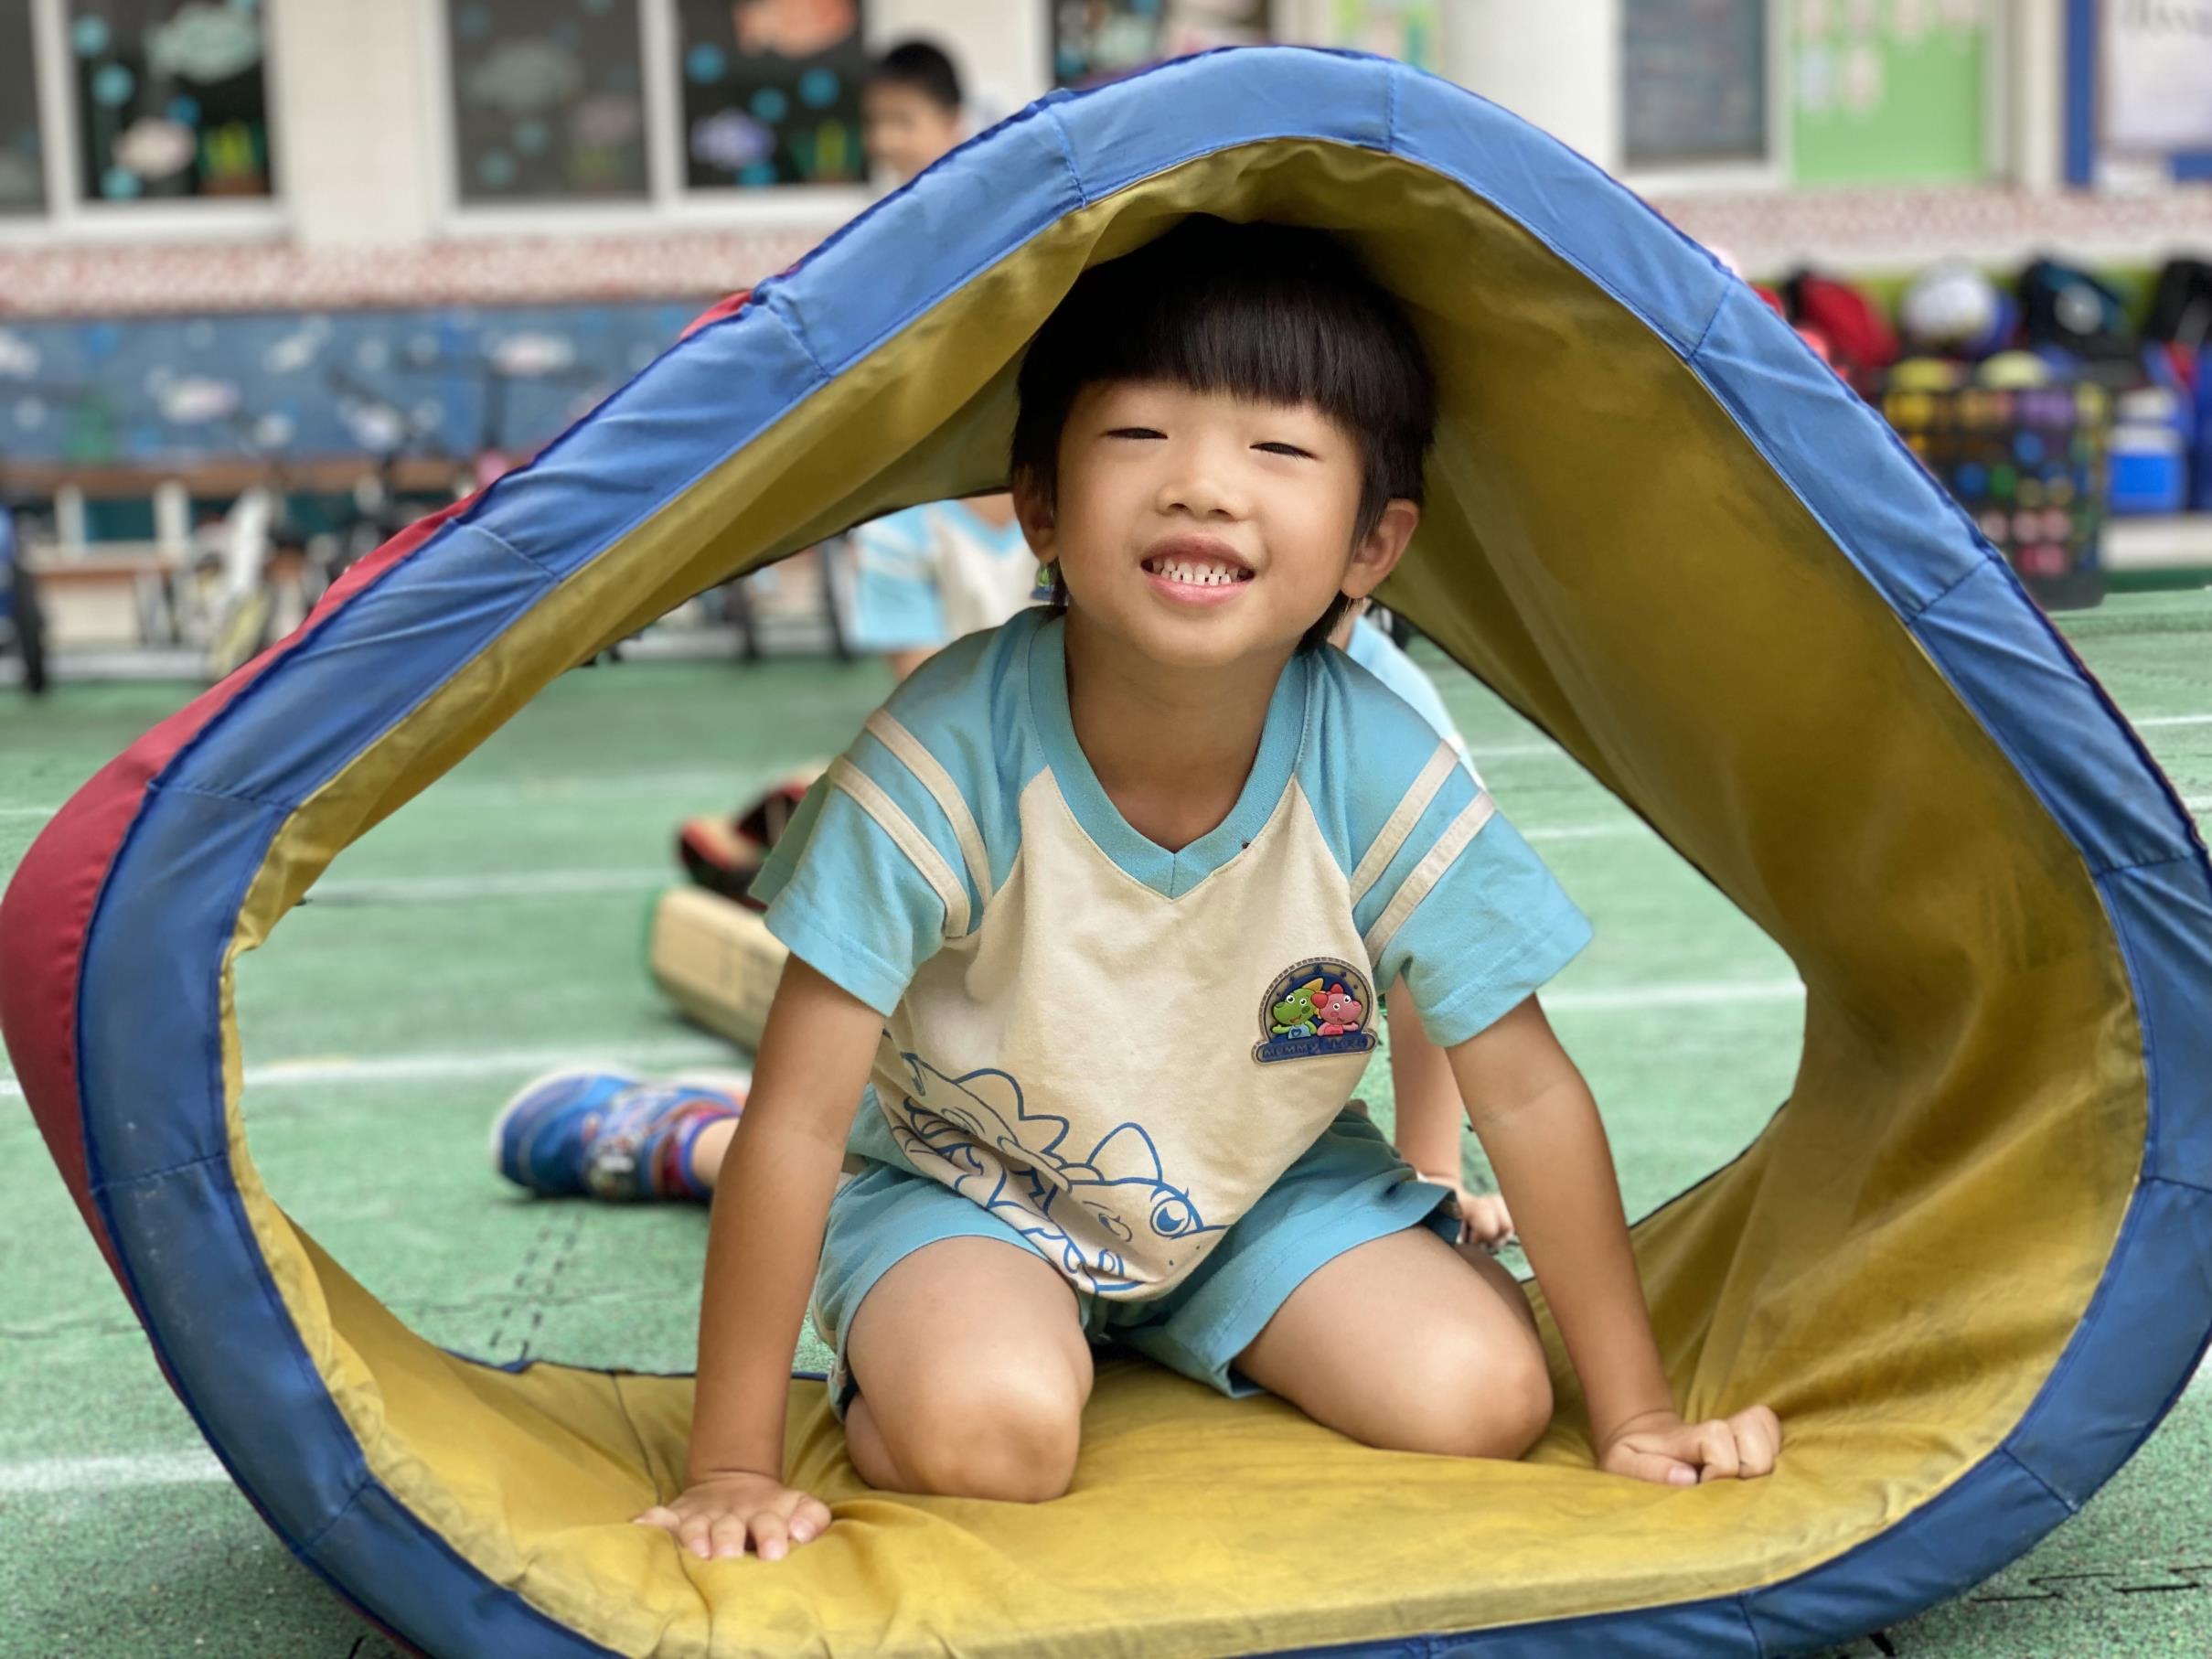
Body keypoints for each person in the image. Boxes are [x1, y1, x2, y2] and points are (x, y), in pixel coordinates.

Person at [497, 217, 1780, 1562]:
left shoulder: (1379, 761)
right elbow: (805, 1120)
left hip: (1259, 1188)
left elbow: (1528, 1090)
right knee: (988, 1435)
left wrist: (1637, 1414)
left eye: (1278, 450)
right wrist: (730, 1468)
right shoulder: (944, 757)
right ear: (1041, 503)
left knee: (1483, 1395)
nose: (1203, 488)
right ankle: (683, 1140)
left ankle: (1167, 1315)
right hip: (965, 1180)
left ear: (1373, 542)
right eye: (1139, 435)